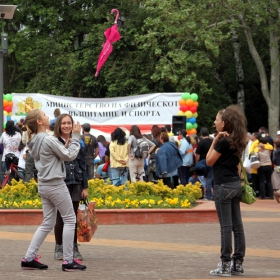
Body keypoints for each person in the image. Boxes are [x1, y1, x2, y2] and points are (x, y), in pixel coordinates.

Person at [21, 109, 86, 272]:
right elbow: (69, 156)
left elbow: (53, 156)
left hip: (44, 184)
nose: (47, 116)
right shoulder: (47, 139)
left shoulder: (35, 140)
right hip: (55, 184)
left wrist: (63, 148)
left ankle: (29, 258)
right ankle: (68, 260)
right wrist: (76, 138)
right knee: (70, 219)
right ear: (39, 122)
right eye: (44, 115)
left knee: (48, 222)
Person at [206, 105, 247, 277]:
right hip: (236, 185)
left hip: (223, 186)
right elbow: (238, 165)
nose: (215, 122)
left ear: (223, 124)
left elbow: (209, 161)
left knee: (225, 227)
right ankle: (237, 264)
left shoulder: (222, 142)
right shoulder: (238, 141)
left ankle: (224, 265)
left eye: (216, 119)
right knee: (237, 226)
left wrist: (214, 140)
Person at [53, 114, 88, 261]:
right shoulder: (54, 141)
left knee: (73, 217)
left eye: (69, 123)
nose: (66, 126)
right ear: (59, 125)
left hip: (76, 182)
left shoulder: (78, 141)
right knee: (61, 216)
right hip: (61, 182)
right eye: (64, 123)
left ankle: (73, 246)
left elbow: (83, 164)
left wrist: (85, 186)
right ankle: (59, 246)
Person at [195, 127, 213, 200]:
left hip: (203, 163)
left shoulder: (201, 143)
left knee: (206, 180)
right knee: (212, 179)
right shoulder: (212, 141)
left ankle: (208, 196)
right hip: (212, 161)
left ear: (201, 134)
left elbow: (197, 154)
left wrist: (197, 162)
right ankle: (214, 195)